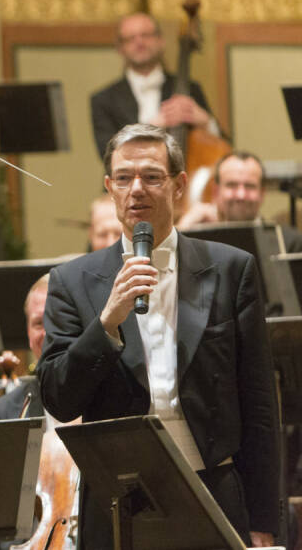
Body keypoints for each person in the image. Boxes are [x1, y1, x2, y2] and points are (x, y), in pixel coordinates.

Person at [38, 123, 278, 548]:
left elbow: (259, 405)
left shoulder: (231, 270)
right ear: (109, 187)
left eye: (152, 177)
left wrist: (263, 521)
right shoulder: (71, 281)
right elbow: (58, 397)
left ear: (179, 185)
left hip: (214, 489)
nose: (137, 190)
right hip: (116, 501)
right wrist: (107, 322)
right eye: (125, 178)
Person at [90, 12, 219, 160]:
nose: (139, 42)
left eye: (146, 35)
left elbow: (222, 145)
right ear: (120, 49)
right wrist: (151, 128)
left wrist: (206, 122)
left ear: (161, 41)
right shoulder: (104, 99)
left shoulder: (190, 88)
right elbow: (107, 155)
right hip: (126, 182)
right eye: (130, 38)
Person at [178, 150, 302, 250]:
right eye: (232, 185)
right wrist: (184, 229)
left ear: (262, 193)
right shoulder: (196, 243)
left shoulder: (290, 243)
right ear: (216, 192)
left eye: (249, 186)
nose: (241, 195)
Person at [0, 275, 49, 421]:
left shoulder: (108, 400)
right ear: (29, 333)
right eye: (39, 323)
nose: (49, 332)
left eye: (58, 319)